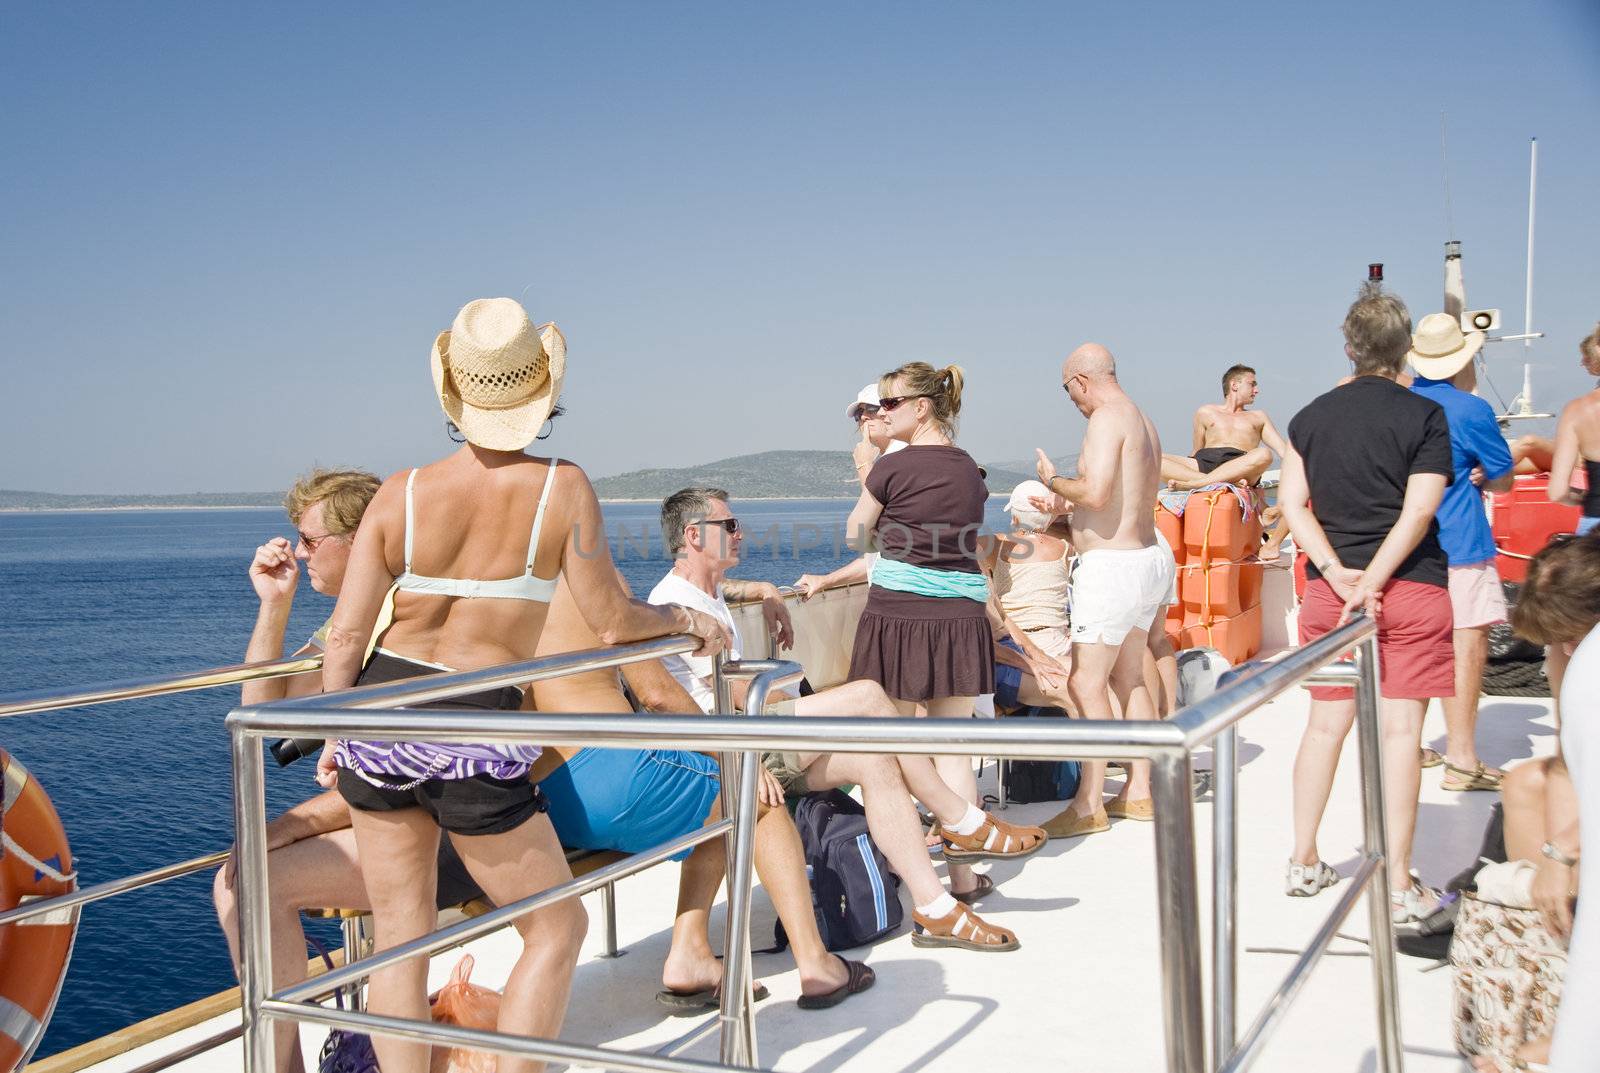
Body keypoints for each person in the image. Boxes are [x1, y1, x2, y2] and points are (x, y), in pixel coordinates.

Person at [311, 298, 728, 1073]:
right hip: (470, 727)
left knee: (402, 945)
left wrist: (337, 734)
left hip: (377, 713)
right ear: (538, 394)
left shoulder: (399, 490)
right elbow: (610, 620)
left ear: (456, 395)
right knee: (554, 928)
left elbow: (344, 633)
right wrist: (682, 621)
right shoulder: (561, 487)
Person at [657, 486, 1043, 950]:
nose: (742, 533)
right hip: (734, 747)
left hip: (759, 731)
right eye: (731, 525)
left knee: (874, 760)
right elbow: (732, 695)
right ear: (694, 535)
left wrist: (763, 589)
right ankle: (958, 819)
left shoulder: (707, 592)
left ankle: (935, 908)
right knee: (868, 696)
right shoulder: (675, 602)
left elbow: (723, 614)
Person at [531, 573, 873, 1009]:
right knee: (752, 793)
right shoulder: (588, 577)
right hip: (604, 772)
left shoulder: (515, 582)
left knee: (711, 798)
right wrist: (728, 751)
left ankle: (690, 951)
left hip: (548, 792)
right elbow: (654, 693)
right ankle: (817, 964)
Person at [1277, 284, 1456, 923]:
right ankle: (1399, 881)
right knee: (1402, 733)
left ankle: (1303, 859)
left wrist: (1338, 573)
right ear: (1404, 350)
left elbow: (1294, 505)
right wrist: (1375, 580)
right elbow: (1420, 509)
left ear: (1349, 348)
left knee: (1324, 727)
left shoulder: (1307, 418)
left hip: (1330, 595)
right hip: (1408, 589)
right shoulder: (1424, 417)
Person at [845, 364, 1044, 883]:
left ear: (922, 407)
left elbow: (855, 534)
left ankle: (920, 869)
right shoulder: (970, 470)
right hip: (960, 616)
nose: (884, 412)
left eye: (891, 403)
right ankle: (963, 877)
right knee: (952, 744)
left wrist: (884, 523)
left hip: (899, 614)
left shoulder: (890, 468)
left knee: (893, 737)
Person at [1033, 343, 1173, 837]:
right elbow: (1121, 502)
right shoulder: (1144, 421)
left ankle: (1088, 803)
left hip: (1111, 569)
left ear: (1080, 381)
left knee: (1084, 683)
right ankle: (1139, 791)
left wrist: (1054, 481)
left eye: (1067, 390)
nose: (1071, 400)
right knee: (1130, 677)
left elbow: (1094, 492)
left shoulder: (1105, 418)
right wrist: (1072, 517)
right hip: (1145, 559)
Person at [1407, 312, 1515, 791]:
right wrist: (1480, 473)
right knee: (1465, 645)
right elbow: (1505, 477)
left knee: (1414, 648)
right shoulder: (1472, 411)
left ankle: (1408, 747)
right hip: (1461, 543)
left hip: (1406, 550)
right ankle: (1463, 760)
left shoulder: (1399, 405)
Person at [1504, 533, 1594, 1073]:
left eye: (1568, 640)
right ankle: (1557, 961)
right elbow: (1568, 760)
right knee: (1523, 784)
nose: (1558, 654)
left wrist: (1562, 856)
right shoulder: (1577, 665)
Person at [794, 382, 906, 599]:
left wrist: (865, 467)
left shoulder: (900, 461)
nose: (864, 417)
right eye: (859, 414)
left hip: (905, 601)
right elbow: (877, 554)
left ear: (889, 411)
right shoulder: (887, 461)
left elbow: (888, 534)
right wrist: (826, 580)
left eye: (871, 409)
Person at [980, 481, 1074, 712]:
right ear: (1051, 518)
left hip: (1017, 640)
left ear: (1014, 518)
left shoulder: (996, 546)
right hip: (1058, 642)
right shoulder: (1065, 547)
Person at [1160, 364, 1288, 491]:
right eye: (1252, 384)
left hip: (1240, 466)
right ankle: (1220, 483)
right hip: (1205, 463)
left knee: (1264, 453)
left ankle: (1199, 483)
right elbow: (1196, 451)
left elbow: (1283, 451)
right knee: (1154, 458)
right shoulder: (1205, 412)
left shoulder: (1259, 416)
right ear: (1234, 385)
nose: (1256, 390)